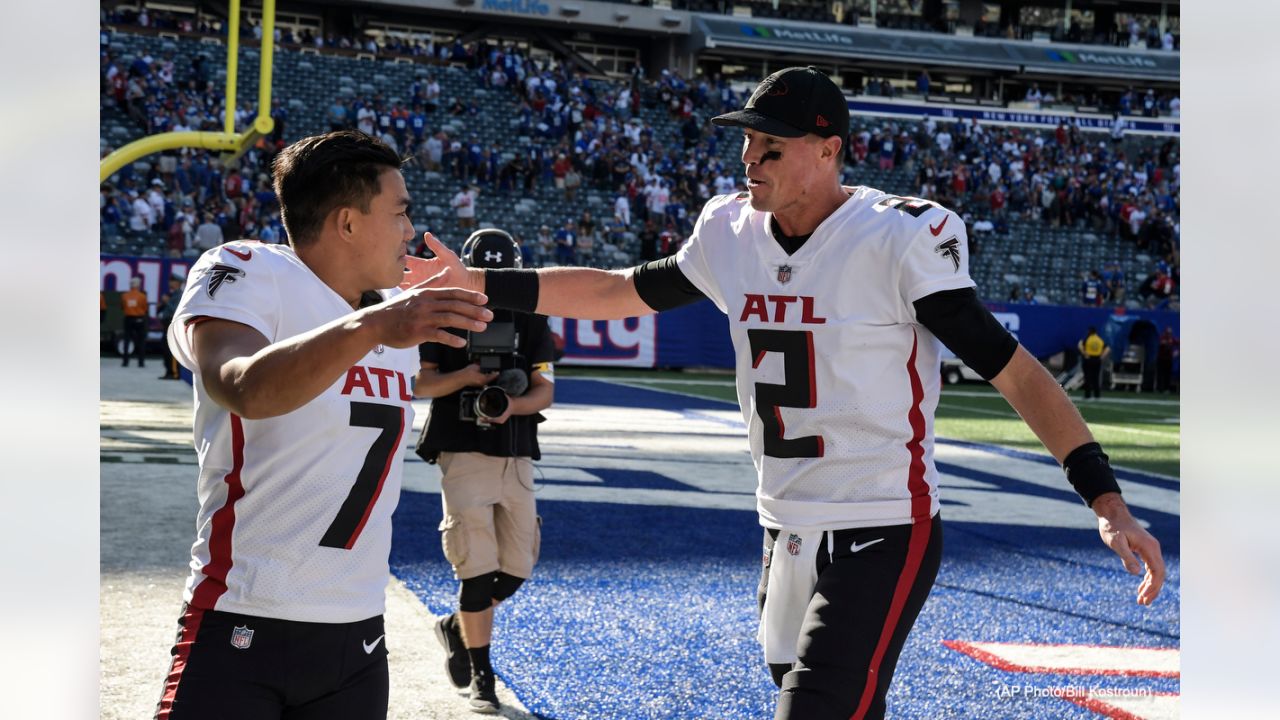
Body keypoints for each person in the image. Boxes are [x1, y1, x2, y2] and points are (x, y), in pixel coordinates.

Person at [412, 66, 1165, 720]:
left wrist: (1107, 500)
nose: (750, 159)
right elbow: (620, 290)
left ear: (829, 150)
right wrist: (479, 280)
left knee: (817, 708)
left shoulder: (896, 238)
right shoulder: (730, 231)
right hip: (785, 524)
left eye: (772, 145)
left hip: (882, 521)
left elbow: (1017, 373)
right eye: (746, 142)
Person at [154, 131, 492, 720]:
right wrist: (373, 327)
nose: (411, 230)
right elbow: (242, 386)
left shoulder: (391, 313)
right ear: (348, 223)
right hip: (244, 614)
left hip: (356, 633)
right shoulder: (249, 269)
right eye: (401, 211)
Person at [413, 229, 556, 714]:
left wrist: (510, 405)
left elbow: (545, 393)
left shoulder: (531, 317)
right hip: (463, 449)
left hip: (515, 449)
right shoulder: (442, 308)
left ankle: (457, 625)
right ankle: (482, 675)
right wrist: (467, 379)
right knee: (476, 570)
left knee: (516, 569)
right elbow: (422, 382)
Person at [156, 274, 183, 379]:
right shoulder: (172, 294)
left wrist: (167, 302)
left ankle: (174, 373)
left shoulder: (179, 295)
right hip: (166, 325)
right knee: (166, 350)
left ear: (177, 283)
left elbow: (175, 310)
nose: (169, 283)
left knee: (172, 350)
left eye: (172, 281)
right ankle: (168, 372)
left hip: (172, 325)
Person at [120, 276, 149, 367]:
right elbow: (145, 309)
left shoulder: (124, 296)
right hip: (140, 319)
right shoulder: (142, 296)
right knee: (141, 341)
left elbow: (123, 307)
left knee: (127, 340)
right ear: (139, 285)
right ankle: (141, 362)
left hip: (128, 319)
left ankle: (125, 362)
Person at [1078, 326, 1110, 400]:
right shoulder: (1099, 340)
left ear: (1089, 331)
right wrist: (1102, 356)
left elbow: (1080, 345)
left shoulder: (1087, 339)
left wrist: (1085, 353)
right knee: (1096, 377)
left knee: (1087, 377)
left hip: (1088, 359)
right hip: (1097, 359)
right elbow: (1108, 348)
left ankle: (1087, 395)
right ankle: (1097, 395)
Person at [1156, 325, 1179, 393]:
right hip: (1161, 359)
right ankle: (1159, 388)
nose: (1169, 334)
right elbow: (1161, 343)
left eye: (1170, 333)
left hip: (1168, 359)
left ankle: (1166, 388)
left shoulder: (1172, 339)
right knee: (1160, 374)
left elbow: (1178, 343)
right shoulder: (1162, 338)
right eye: (1168, 333)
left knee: (1167, 375)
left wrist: (1177, 352)